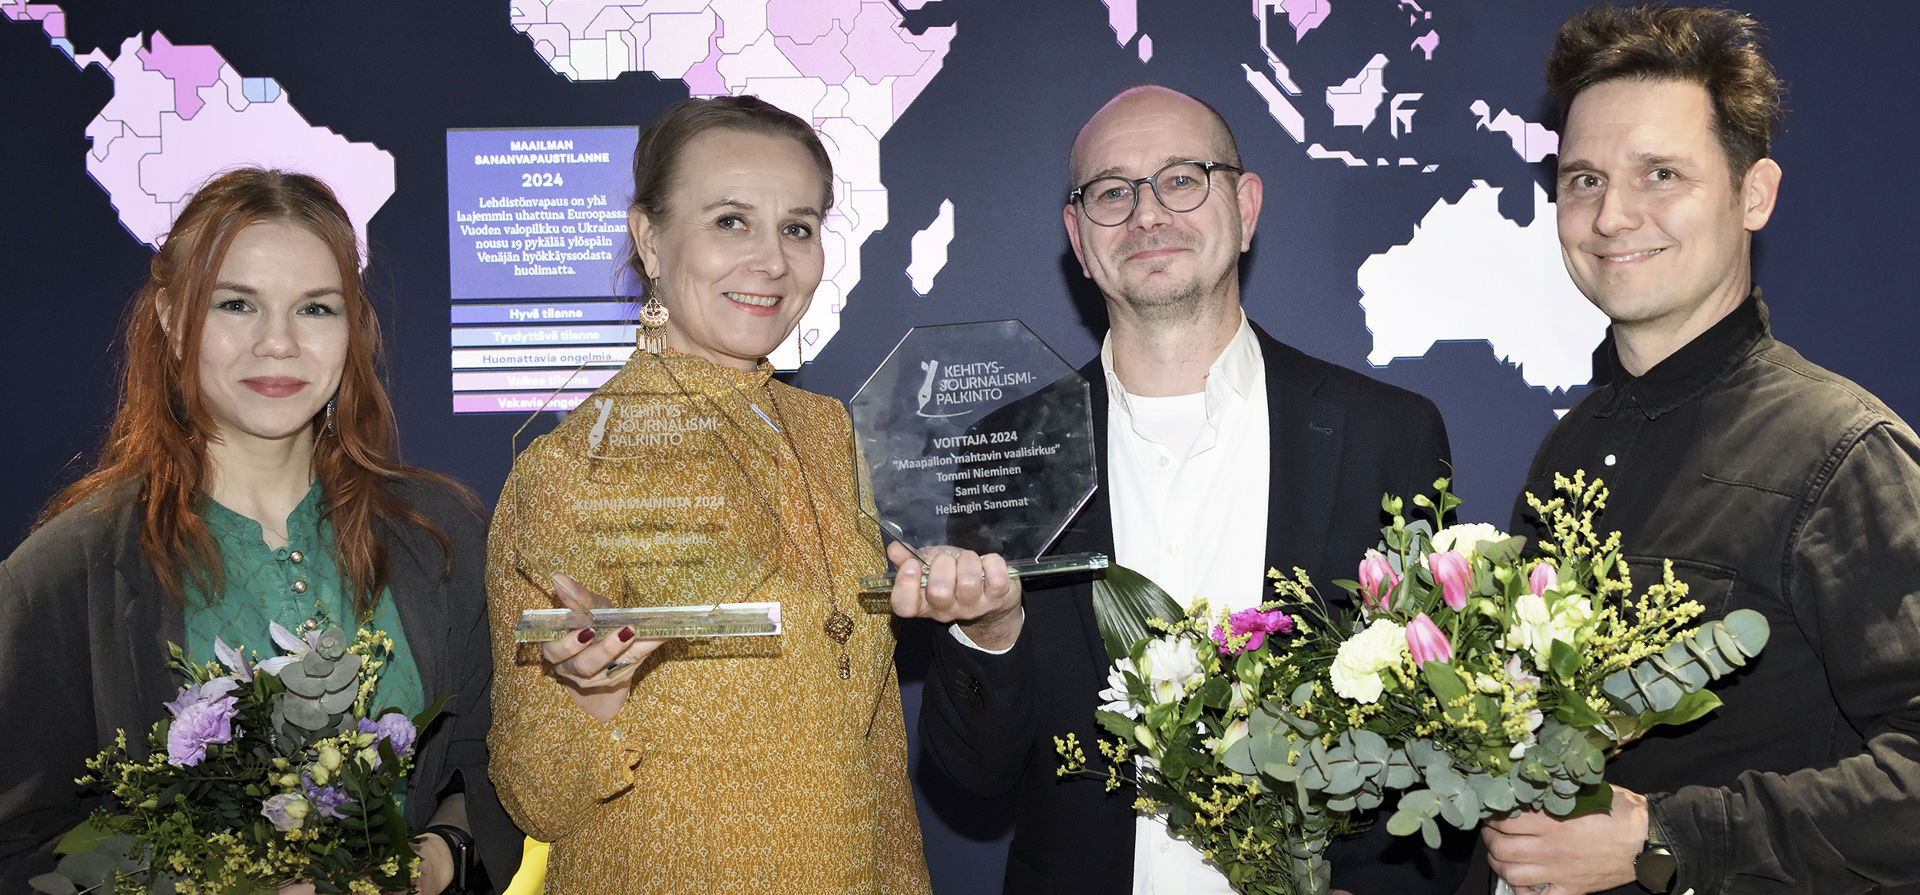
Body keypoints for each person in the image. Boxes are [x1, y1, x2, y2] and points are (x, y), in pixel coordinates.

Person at [891, 85, 1461, 894]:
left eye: (1183, 178)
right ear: (1079, 239)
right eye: (1112, 192)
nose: (1147, 215)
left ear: (1246, 205)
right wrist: (987, 633)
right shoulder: (1009, 450)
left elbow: (1434, 738)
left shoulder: (1388, 436)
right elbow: (972, 776)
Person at [1477, 6, 1920, 895]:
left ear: (1754, 193)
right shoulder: (1568, 451)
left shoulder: (1845, 452)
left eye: (1661, 173)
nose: (1613, 216)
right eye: (1584, 179)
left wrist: (1663, 836)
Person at [0, 168, 521, 892]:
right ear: (173, 319)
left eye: (314, 308)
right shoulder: (65, 574)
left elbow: (489, 761)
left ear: (352, 330)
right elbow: (19, 843)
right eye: (237, 303)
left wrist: (435, 859)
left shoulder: (439, 536)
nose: (278, 343)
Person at [484, 95, 932, 894]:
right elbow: (535, 797)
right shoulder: (569, 466)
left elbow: (874, 742)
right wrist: (596, 697)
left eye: (797, 226)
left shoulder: (829, 432)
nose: (771, 260)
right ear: (649, 239)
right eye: (731, 220)